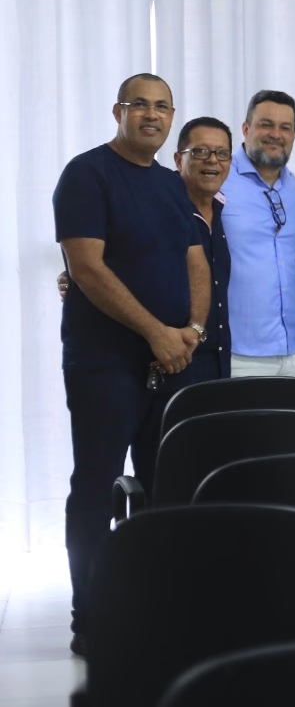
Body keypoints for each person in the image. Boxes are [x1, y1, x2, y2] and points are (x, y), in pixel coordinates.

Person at [53, 74, 210, 653]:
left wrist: (191, 331)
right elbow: (86, 268)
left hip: (172, 363)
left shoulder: (171, 183)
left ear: (172, 117)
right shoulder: (86, 174)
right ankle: (92, 619)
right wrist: (155, 333)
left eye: (162, 107)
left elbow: (195, 259)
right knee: (95, 487)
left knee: (168, 490)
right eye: (139, 105)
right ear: (117, 111)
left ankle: (156, 608)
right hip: (105, 363)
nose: (151, 114)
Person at [221, 89, 295, 376]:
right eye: (266, 125)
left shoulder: (292, 186)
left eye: (285, 127)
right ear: (245, 129)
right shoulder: (218, 179)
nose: (276, 135)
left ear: (294, 135)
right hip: (238, 353)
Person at [174, 116, 235, 382]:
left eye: (222, 153)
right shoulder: (162, 206)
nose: (212, 160)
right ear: (179, 160)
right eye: (200, 152)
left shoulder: (222, 209)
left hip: (218, 360)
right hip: (174, 359)